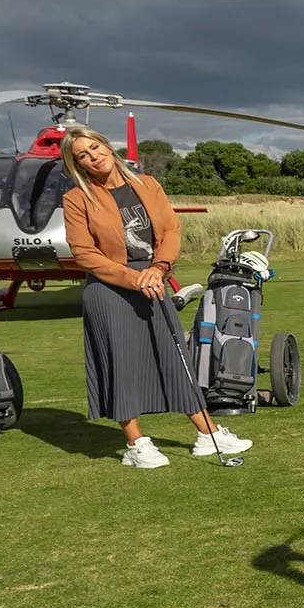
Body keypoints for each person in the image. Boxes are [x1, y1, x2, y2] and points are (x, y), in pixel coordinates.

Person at [59, 127, 252, 468]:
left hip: (154, 281)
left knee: (175, 357)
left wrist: (159, 268)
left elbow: (170, 230)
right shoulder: (77, 199)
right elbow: (84, 253)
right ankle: (136, 444)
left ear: (107, 146)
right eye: (83, 156)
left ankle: (208, 435)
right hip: (109, 288)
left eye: (95, 147)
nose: (93, 157)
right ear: (78, 165)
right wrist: (135, 278)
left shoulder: (147, 185)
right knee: (121, 364)